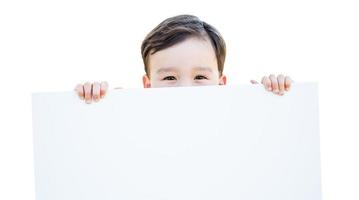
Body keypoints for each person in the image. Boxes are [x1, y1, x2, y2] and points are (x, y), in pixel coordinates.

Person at [74, 14, 292, 104]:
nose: (186, 88)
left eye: (200, 76)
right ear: (147, 85)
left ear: (221, 83)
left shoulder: (237, 119)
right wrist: (96, 103)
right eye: (169, 78)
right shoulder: (133, 121)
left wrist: (270, 99)